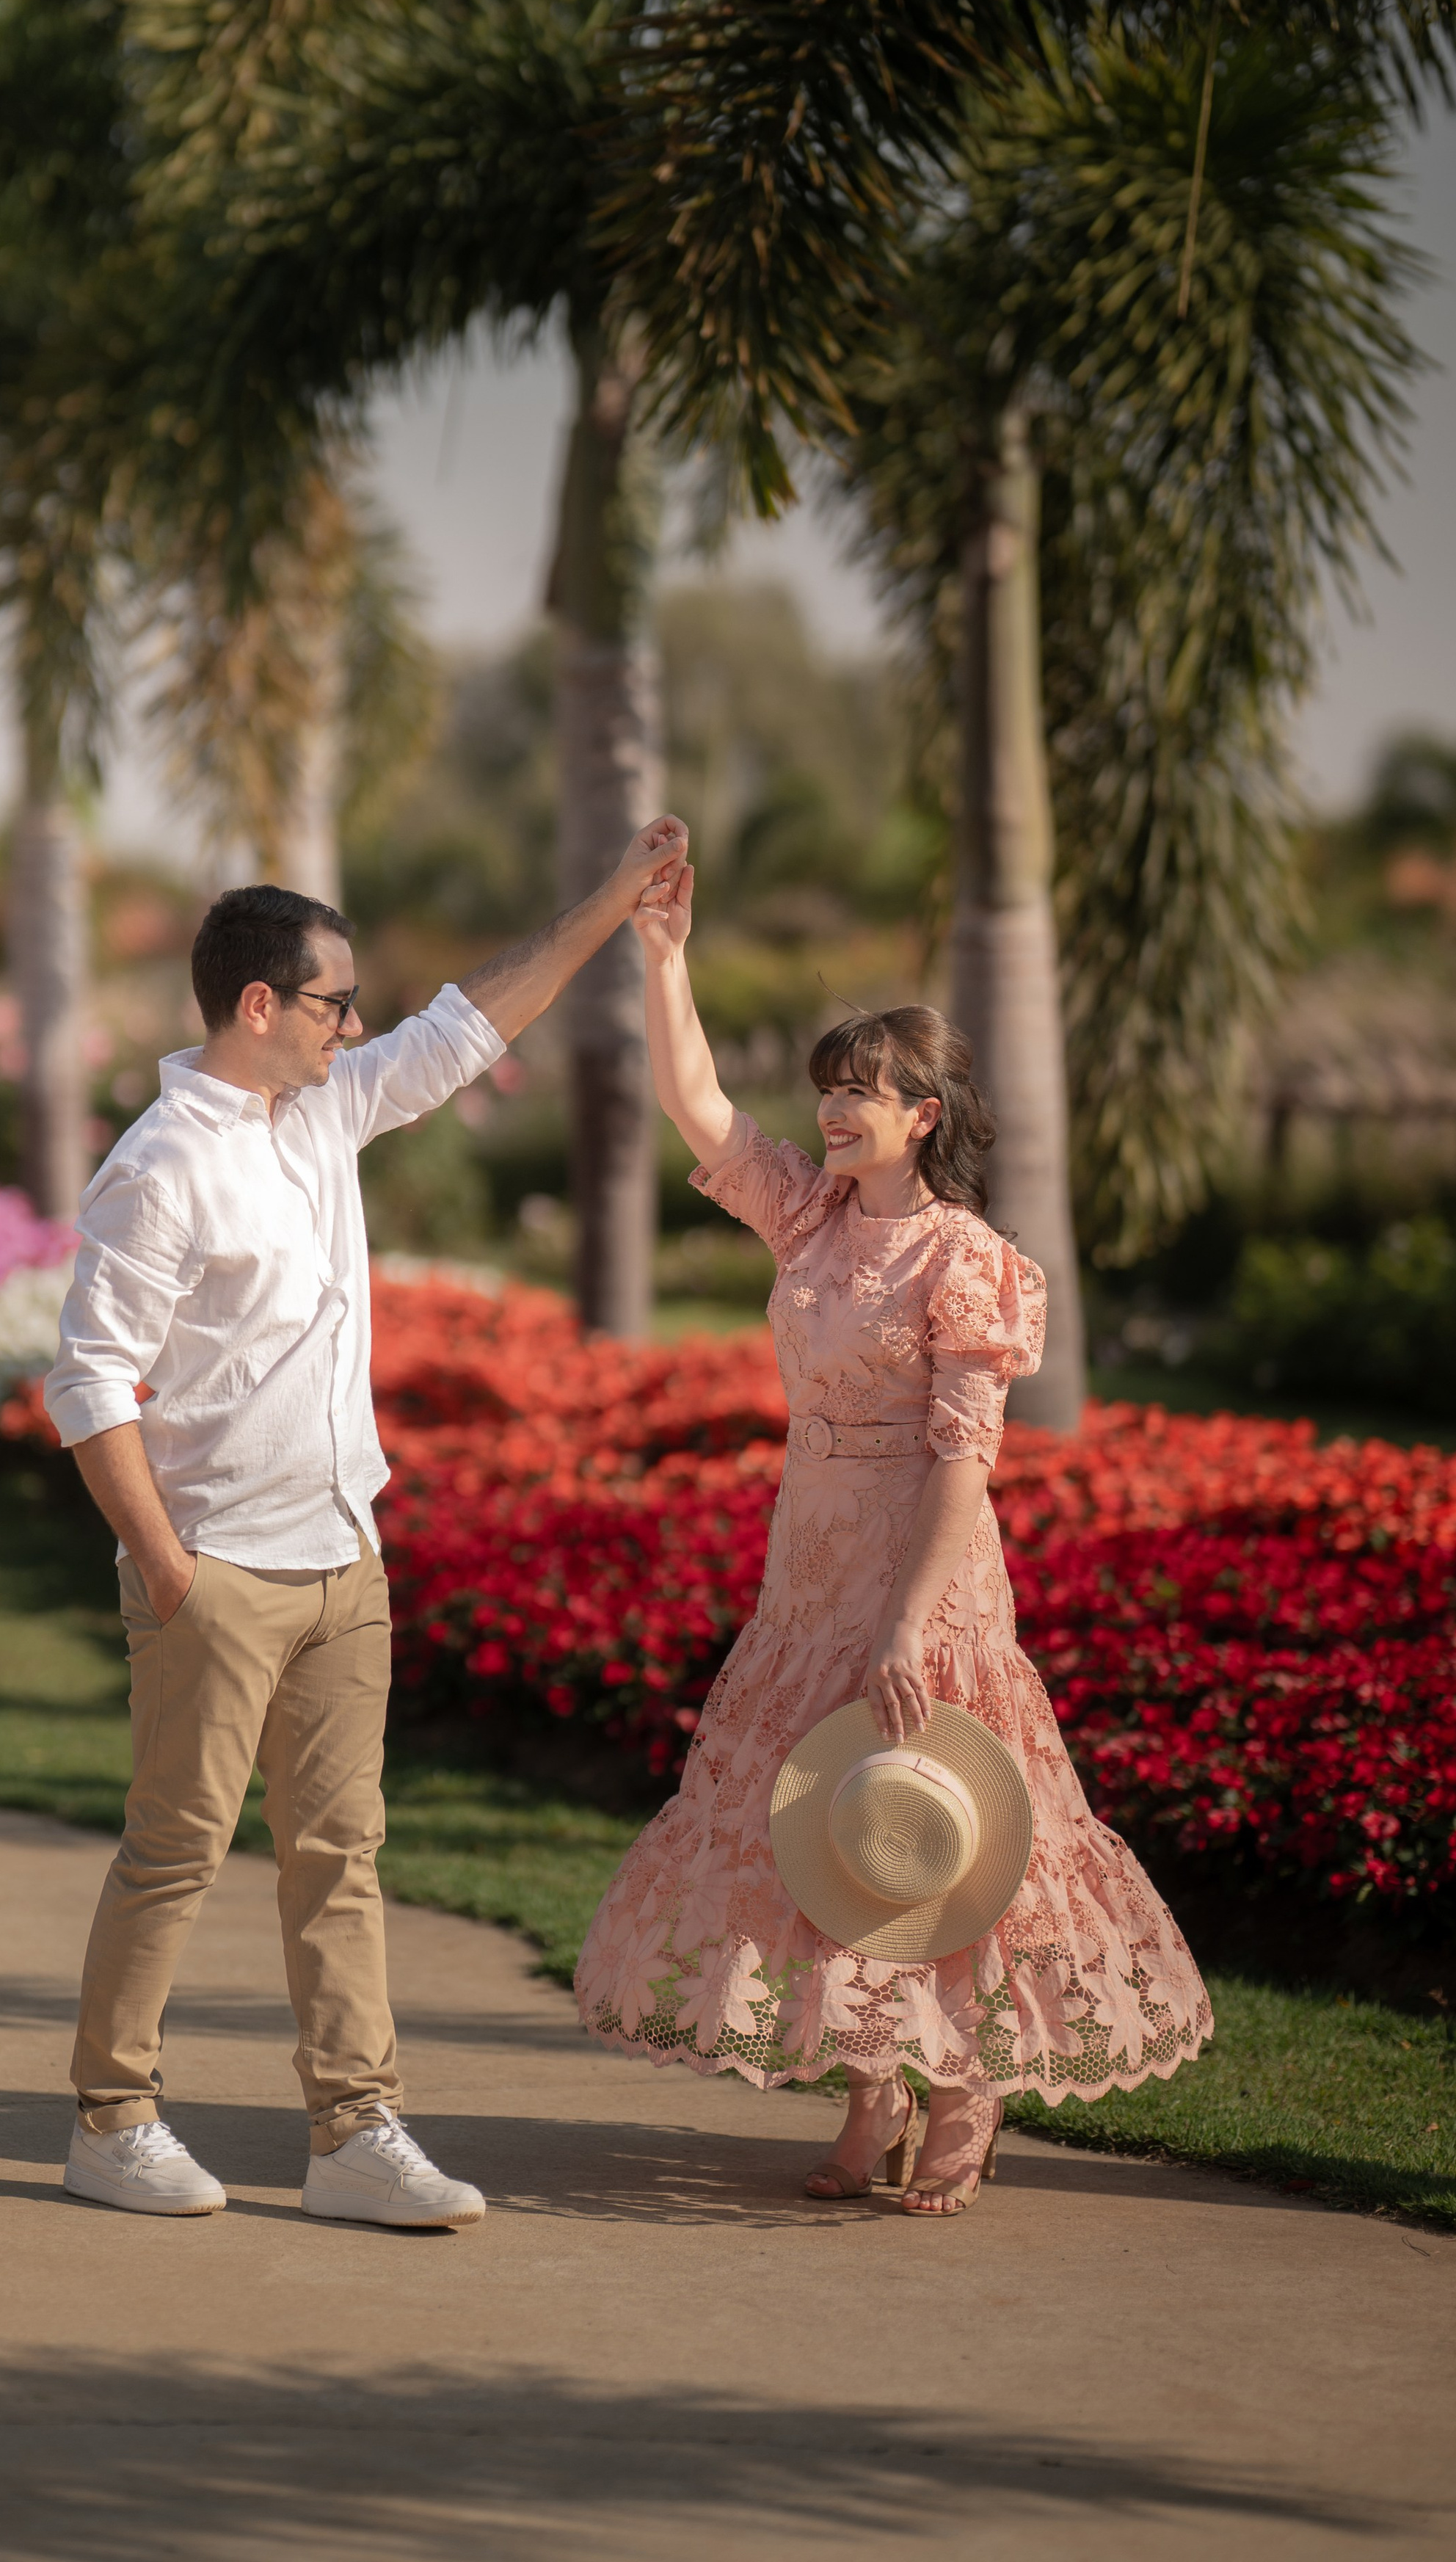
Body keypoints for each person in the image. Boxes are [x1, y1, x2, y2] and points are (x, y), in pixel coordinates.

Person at [46, 818, 688, 2228]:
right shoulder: (164, 1163)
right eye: (334, 1002)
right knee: (176, 1853)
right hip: (217, 1570)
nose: (355, 1024)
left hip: (346, 1559)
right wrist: (169, 1570)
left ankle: (354, 2133)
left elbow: (471, 1023)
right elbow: (88, 1383)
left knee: (343, 1861)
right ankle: (113, 2119)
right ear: (257, 1004)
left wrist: (612, 896)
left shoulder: (324, 1110)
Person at [574, 859, 1212, 2213]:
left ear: (923, 1116)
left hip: (924, 1574)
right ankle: (875, 2080)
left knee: (948, 1826)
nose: (833, 1108)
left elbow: (964, 1458)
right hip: (806, 1574)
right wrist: (665, 951)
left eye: (861, 1091)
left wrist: (911, 1625)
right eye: (830, 1087)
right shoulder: (808, 1216)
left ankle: (967, 2091)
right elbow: (696, 1100)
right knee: (826, 1825)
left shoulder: (966, 1259)